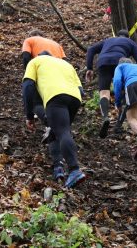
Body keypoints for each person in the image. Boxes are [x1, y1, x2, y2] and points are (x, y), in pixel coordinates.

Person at [22, 52, 86, 188]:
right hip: (74, 98)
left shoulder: (35, 61)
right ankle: (58, 167)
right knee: (58, 131)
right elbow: (81, 90)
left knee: (62, 132)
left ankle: (74, 170)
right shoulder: (66, 64)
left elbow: (28, 86)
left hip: (55, 96)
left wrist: (29, 115)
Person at [85, 30, 137, 138]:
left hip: (102, 62)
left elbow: (91, 49)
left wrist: (89, 68)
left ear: (117, 35)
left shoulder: (108, 40)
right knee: (124, 93)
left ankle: (105, 117)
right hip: (119, 63)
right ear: (128, 36)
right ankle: (118, 125)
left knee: (104, 93)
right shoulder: (130, 42)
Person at [22, 29, 67, 142]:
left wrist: (29, 72)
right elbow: (65, 61)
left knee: (35, 102)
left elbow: (26, 56)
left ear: (31, 35)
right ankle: (56, 127)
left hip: (42, 71)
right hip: (60, 73)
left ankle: (50, 123)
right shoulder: (56, 44)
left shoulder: (29, 40)